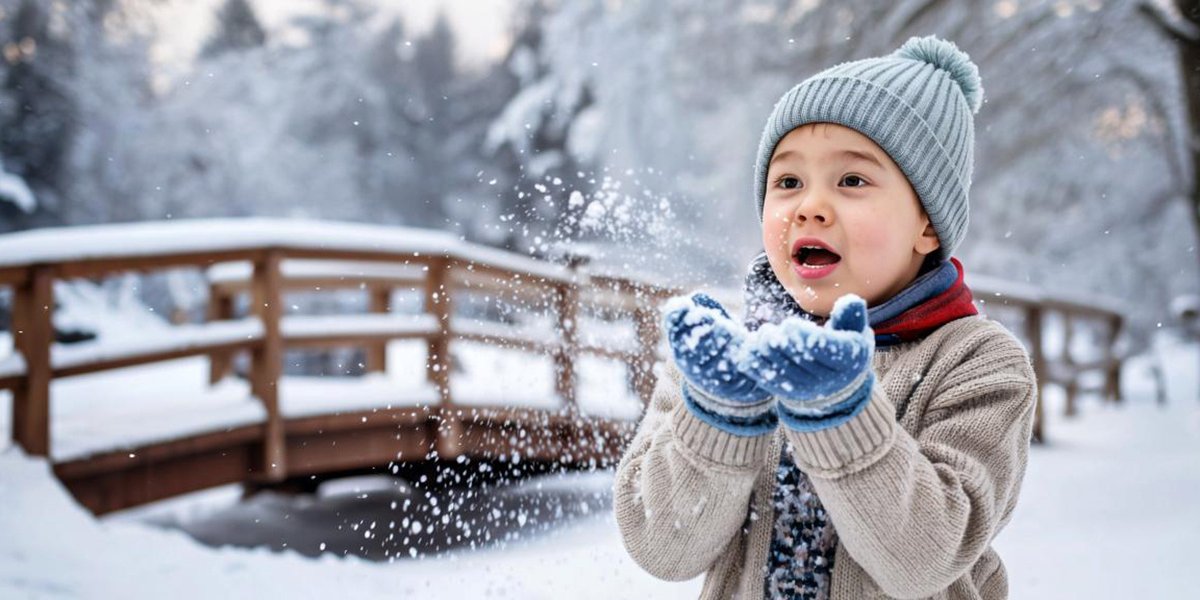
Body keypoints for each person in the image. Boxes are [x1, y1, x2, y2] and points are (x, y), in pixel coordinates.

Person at [613, 35, 1038, 599]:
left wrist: (840, 414)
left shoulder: (977, 364)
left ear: (927, 225)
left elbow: (924, 560)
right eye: (787, 182)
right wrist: (717, 416)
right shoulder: (726, 360)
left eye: (852, 181)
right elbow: (663, 548)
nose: (809, 205)